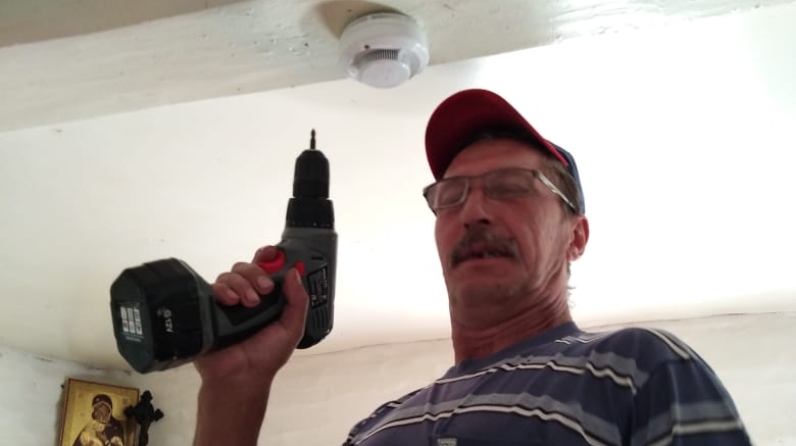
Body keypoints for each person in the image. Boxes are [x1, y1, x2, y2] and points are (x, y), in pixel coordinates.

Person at [191, 89, 753, 445]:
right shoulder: (374, 428)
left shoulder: (639, 367)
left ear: (575, 236)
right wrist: (234, 388)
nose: (474, 212)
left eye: (510, 187)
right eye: (452, 195)